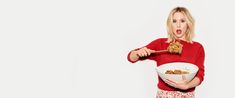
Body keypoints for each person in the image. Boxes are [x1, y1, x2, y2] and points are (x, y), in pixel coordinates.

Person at [127, 7, 205, 98]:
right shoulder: (160, 43)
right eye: (174, 21)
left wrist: (187, 85)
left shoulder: (197, 47)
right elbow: (130, 57)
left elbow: (200, 75)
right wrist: (137, 53)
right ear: (170, 24)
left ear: (188, 24)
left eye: (182, 21)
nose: (178, 25)